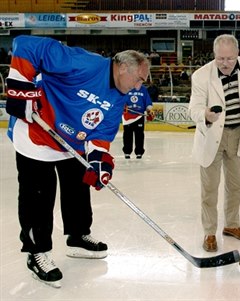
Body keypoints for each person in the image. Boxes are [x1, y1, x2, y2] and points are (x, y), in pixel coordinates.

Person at [5, 35, 150, 288]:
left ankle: (78, 236)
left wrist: (100, 162)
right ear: (123, 67)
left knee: (78, 187)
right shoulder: (84, 63)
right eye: (139, 78)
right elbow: (26, 45)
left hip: (71, 141)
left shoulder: (119, 96)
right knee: (39, 194)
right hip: (37, 131)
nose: (140, 86)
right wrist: (21, 88)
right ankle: (36, 252)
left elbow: (102, 133)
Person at [188, 34, 240, 252]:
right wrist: (205, 115)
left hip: (238, 134)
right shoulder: (201, 76)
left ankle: (232, 225)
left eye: (229, 58)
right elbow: (194, 108)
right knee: (209, 189)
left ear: (237, 54)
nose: (225, 63)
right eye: (220, 59)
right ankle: (209, 232)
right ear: (214, 55)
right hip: (211, 137)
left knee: (236, 187)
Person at [122, 85, 154, 159]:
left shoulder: (143, 89)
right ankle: (127, 151)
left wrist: (149, 110)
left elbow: (148, 101)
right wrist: (123, 106)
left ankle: (139, 152)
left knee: (139, 135)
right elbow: (120, 99)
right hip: (128, 116)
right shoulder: (126, 87)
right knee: (127, 135)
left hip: (139, 116)